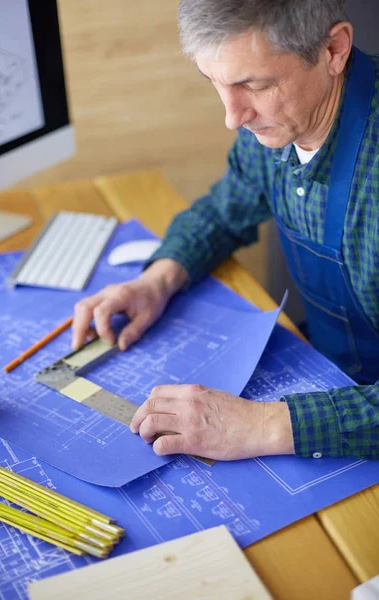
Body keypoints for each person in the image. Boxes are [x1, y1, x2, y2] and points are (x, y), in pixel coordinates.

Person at [72, 0, 379, 461]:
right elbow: (226, 207)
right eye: (215, 83)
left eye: (253, 85)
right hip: (325, 366)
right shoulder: (279, 122)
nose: (233, 117)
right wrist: (157, 280)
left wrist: (261, 424)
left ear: (334, 49)